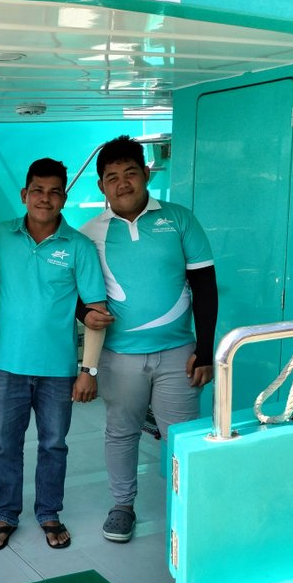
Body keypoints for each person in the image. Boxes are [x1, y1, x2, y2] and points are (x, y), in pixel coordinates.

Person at [80, 135, 218, 543]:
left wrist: (206, 350)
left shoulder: (179, 219)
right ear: (101, 186)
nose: (122, 183)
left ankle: (188, 507)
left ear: (145, 174)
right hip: (119, 356)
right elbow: (78, 299)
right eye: (112, 177)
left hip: (179, 354)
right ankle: (123, 506)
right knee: (120, 432)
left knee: (183, 436)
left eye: (130, 174)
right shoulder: (89, 234)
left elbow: (205, 287)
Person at [0, 158, 109, 551]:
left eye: (54, 191)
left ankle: (49, 512)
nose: (45, 198)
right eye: (37, 190)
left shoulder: (79, 247)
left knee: (54, 444)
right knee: (7, 444)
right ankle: (6, 513)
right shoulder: (0, 236)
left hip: (58, 369)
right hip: (7, 364)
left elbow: (96, 313)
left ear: (64, 197)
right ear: (24, 194)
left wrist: (88, 370)